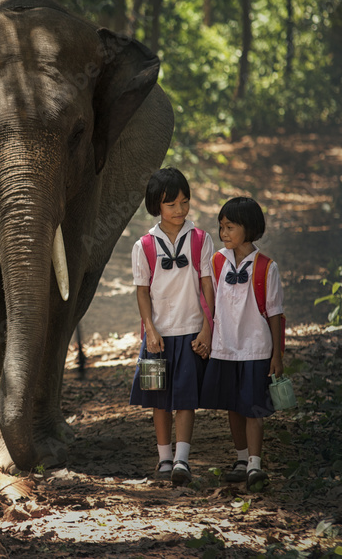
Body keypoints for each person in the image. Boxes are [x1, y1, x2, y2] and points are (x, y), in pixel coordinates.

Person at [129, 167, 216, 485]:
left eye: (184, 202)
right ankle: (164, 460)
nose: (180, 210)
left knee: (185, 399)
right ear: (156, 207)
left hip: (192, 331)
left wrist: (208, 327)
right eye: (171, 204)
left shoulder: (201, 240)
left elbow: (208, 285)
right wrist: (149, 329)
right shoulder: (144, 246)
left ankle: (182, 461)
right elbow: (141, 291)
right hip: (158, 337)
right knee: (159, 400)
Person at [199, 196, 285, 489]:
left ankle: (255, 464)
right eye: (221, 227)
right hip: (225, 348)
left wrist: (277, 353)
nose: (223, 234)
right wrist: (207, 336)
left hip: (255, 347)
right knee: (233, 407)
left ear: (248, 229)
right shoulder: (217, 261)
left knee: (254, 408)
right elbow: (209, 304)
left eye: (230, 227)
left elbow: (274, 314)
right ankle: (240, 458)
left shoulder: (266, 267)